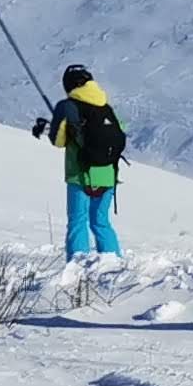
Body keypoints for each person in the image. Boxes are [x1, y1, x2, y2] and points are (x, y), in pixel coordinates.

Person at [36, 62, 129, 257]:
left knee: (78, 221)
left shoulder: (67, 106)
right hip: (108, 174)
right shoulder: (106, 107)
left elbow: (59, 141)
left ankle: (78, 267)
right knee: (100, 221)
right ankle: (113, 263)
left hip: (80, 175)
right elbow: (119, 131)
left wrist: (54, 126)